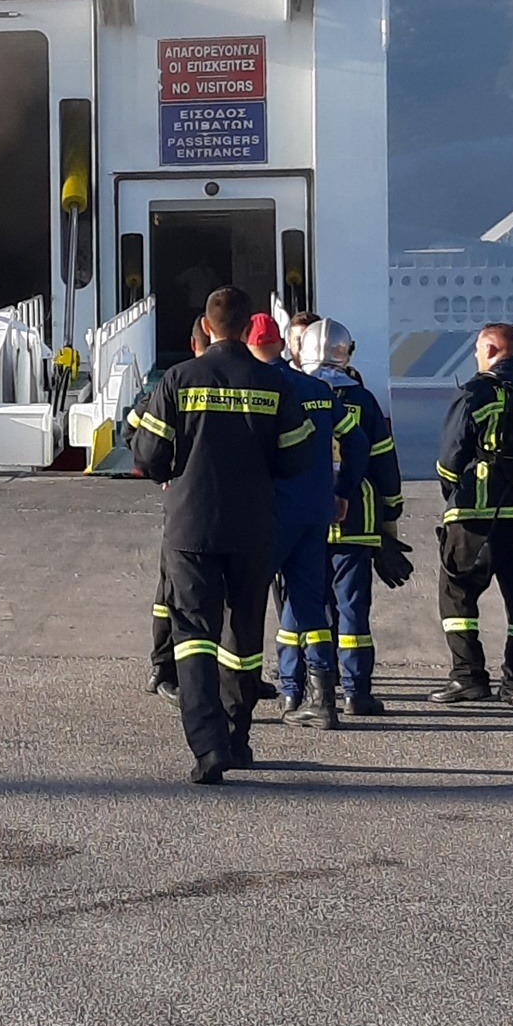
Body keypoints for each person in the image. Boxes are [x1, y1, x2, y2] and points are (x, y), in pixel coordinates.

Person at [125, 287, 310, 784]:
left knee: (191, 634)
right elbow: (297, 458)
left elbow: (147, 457)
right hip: (253, 526)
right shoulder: (276, 385)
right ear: (251, 325)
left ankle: (208, 749)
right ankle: (238, 736)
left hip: (191, 526)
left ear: (206, 328)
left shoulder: (181, 378)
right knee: (243, 635)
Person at [433, 322, 513, 706]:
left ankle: (468, 678)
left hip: (479, 512)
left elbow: (451, 455)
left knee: (458, 594)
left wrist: (452, 495)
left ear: (488, 349)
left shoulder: (476, 390)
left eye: (477, 351)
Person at [249, 313, 344, 728]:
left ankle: (248, 688)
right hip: (316, 510)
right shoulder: (320, 390)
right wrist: (341, 491)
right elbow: (356, 440)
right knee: (311, 605)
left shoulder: (266, 388)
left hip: (275, 511)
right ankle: (323, 701)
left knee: (246, 597)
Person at [309, 321, 405, 717]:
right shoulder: (363, 400)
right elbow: (383, 461)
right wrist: (391, 511)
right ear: (346, 350)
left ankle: (310, 688)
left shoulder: (299, 393)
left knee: (313, 606)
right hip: (358, 520)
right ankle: (357, 692)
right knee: (353, 610)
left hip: (308, 518)